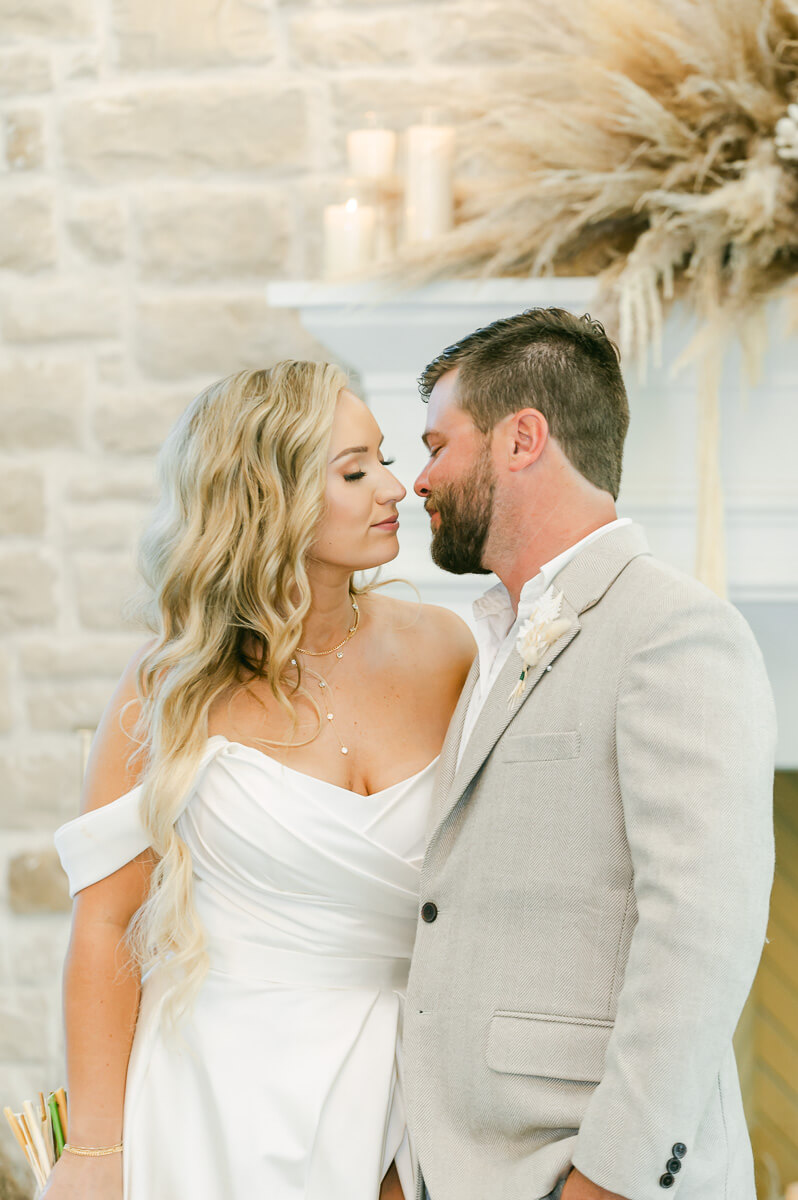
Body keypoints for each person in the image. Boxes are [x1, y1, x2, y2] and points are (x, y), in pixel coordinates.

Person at [47, 361, 476, 1200]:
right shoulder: (167, 686)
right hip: (218, 1097)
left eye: (383, 457)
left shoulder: (449, 650)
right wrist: (95, 1153)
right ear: (265, 497)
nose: (395, 487)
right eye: (354, 471)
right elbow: (106, 925)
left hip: (412, 1091)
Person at [403, 308, 776, 1200]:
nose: (419, 480)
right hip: (457, 1168)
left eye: (437, 445)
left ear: (521, 438)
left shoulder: (674, 631)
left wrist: (610, 1178)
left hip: (586, 1169)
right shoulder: (485, 643)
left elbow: (702, 931)